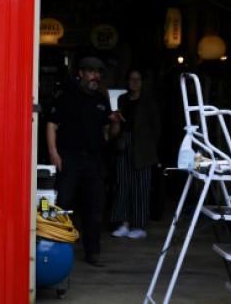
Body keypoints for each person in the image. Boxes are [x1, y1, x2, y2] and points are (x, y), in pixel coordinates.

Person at [45, 56, 120, 267]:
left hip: (94, 160)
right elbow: (51, 125)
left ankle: (93, 252)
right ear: (81, 73)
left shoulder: (101, 101)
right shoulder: (66, 98)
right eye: (92, 72)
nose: (96, 76)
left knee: (95, 207)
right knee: (62, 203)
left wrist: (115, 123)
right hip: (70, 157)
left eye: (98, 73)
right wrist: (53, 153)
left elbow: (110, 133)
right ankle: (53, 248)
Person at [110, 69, 161, 239]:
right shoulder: (122, 99)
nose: (135, 82)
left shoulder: (148, 101)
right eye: (132, 79)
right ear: (127, 82)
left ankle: (139, 226)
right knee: (122, 184)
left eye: (138, 79)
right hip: (124, 144)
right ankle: (124, 224)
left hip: (144, 148)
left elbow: (156, 127)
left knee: (141, 187)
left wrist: (149, 145)